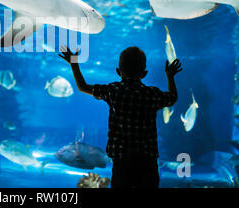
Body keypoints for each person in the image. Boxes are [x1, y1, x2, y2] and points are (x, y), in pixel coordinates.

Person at [59, 46, 182, 188]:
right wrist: (170, 76)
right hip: (147, 162)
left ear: (118, 71)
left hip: (122, 162)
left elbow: (82, 86)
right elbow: (172, 97)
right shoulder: (151, 94)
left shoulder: (114, 91)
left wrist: (74, 64)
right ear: (144, 74)